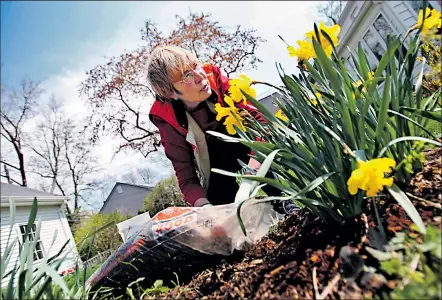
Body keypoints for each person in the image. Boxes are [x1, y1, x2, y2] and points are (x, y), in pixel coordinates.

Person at [147, 45, 298, 214]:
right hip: (214, 164)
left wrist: (250, 178)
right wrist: (207, 209)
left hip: (244, 147)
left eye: (196, 66)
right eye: (186, 76)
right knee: (222, 214)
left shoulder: (216, 79)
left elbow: (261, 125)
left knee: (251, 143)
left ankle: (283, 201)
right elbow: (187, 179)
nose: (200, 76)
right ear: (169, 93)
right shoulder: (166, 118)